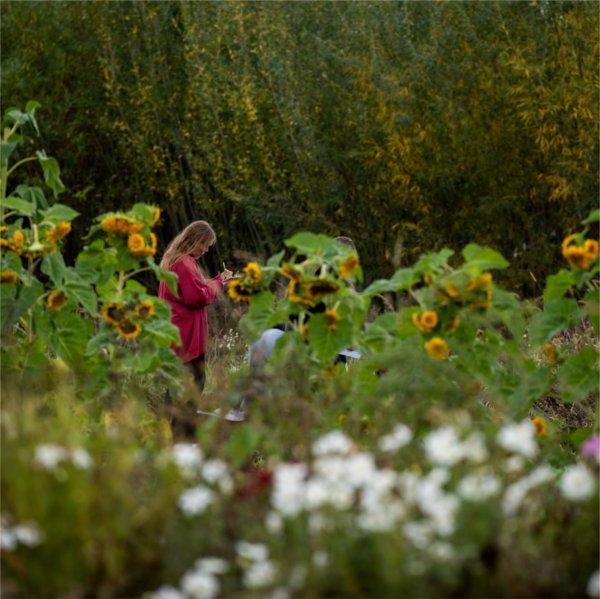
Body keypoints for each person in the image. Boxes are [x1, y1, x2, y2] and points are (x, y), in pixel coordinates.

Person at [159, 221, 232, 391]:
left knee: (178, 390)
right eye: (204, 244)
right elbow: (197, 297)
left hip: (179, 336)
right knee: (190, 391)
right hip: (186, 338)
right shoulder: (184, 263)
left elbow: (195, 286)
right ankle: (181, 419)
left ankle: (172, 418)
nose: (206, 250)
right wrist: (220, 284)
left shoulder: (179, 260)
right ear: (195, 240)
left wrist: (219, 280)